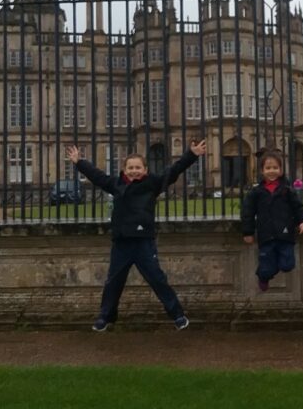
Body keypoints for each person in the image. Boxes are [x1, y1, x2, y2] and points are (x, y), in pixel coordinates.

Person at [66, 140, 207, 332]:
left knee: (157, 280)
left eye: (138, 168)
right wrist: (79, 162)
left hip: (143, 242)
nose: (134, 171)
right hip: (122, 242)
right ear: (124, 170)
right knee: (113, 282)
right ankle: (105, 317)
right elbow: (97, 176)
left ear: (145, 170)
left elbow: (173, 171)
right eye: (130, 168)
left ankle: (177, 315)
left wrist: (191, 154)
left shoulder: (152, 184)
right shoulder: (116, 184)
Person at [241, 149, 303, 292]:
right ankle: (263, 277)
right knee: (266, 268)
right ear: (262, 171)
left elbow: (298, 207)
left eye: (275, 168)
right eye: (268, 168)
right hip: (266, 236)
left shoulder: (287, 190)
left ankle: (276, 263)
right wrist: (248, 232)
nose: (272, 171)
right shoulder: (256, 192)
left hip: (285, 235)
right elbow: (247, 212)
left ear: (281, 170)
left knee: (287, 265)